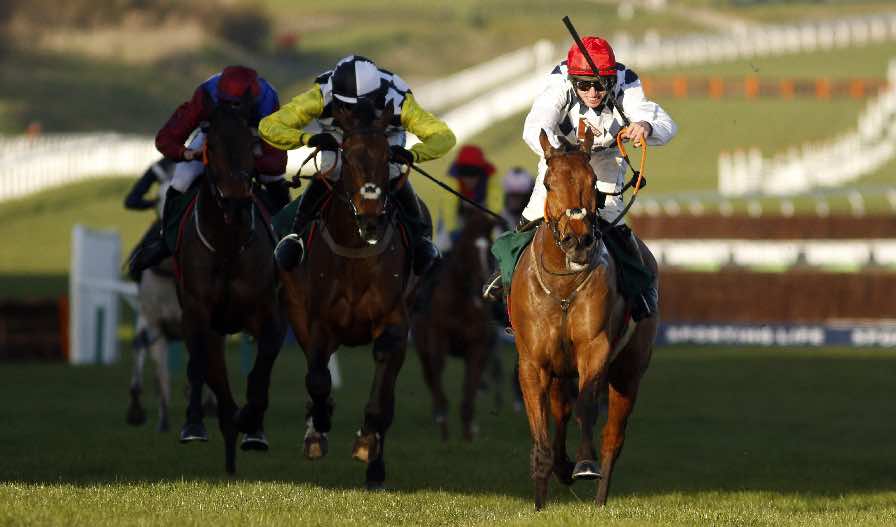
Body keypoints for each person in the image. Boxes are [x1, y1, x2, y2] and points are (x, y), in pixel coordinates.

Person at [486, 36, 677, 321]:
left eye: (600, 84)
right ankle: (504, 277)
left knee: (613, 221)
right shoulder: (560, 80)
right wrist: (559, 157)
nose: (592, 92)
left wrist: (645, 126)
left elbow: (667, 124)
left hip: (605, 159)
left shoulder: (628, 81)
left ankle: (639, 289)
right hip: (561, 158)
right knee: (533, 215)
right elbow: (534, 126)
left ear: (611, 79)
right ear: (573, 79)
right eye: (583, 85)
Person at [258, 55, 456, 274]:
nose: (355, 114)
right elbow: (269, 126)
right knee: (332, 167)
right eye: (346, 106)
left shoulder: (400, 101)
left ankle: (419, 240)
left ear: (377, 96)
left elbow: (444, 136)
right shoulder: (320, 96)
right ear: (335, 96)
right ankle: (296, 235)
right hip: (339, 133)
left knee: (389, 169)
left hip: (383, 134)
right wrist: (307, 139)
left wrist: (412, 155)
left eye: (361, 107)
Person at [127, 65, 290, 277]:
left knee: (274, 178)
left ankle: (289, 241)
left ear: (252, 99)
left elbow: (277, 161)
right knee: (181, 179)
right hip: (214, 137)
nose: (232, 109)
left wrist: (245, 163)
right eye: (226, 104)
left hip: (251, 139)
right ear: (218, 96)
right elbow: (165, 139)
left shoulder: (269, 100)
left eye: (237, 105)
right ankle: (165, 241)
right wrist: (185, 153)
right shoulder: (205, 93)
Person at [124, 158, 177, 282]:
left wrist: (154, 203)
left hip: (165, 226)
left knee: (135, 266)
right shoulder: (202, 159)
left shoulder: (163, 165)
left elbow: (131, 201)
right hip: (201, 222)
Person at [498, 166, 535, 231]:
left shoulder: (537, 221)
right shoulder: (500, 221)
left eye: (518, 197)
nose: (513, 201)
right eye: (511, 196)